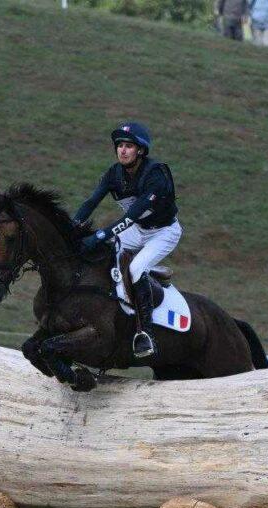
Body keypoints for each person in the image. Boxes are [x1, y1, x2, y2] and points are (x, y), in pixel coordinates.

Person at [75, 122, 182, 359]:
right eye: (120, 145)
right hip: (138, 229)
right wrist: (72, 228)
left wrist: (100, 235)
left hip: (163, 231)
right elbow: (91, 202)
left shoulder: (156, 174)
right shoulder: (114, 173)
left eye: (129, 146)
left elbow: (131, 216)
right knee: (106, 254)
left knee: (134, 268)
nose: (122, 150)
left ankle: (146, 334)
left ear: (140, 151)